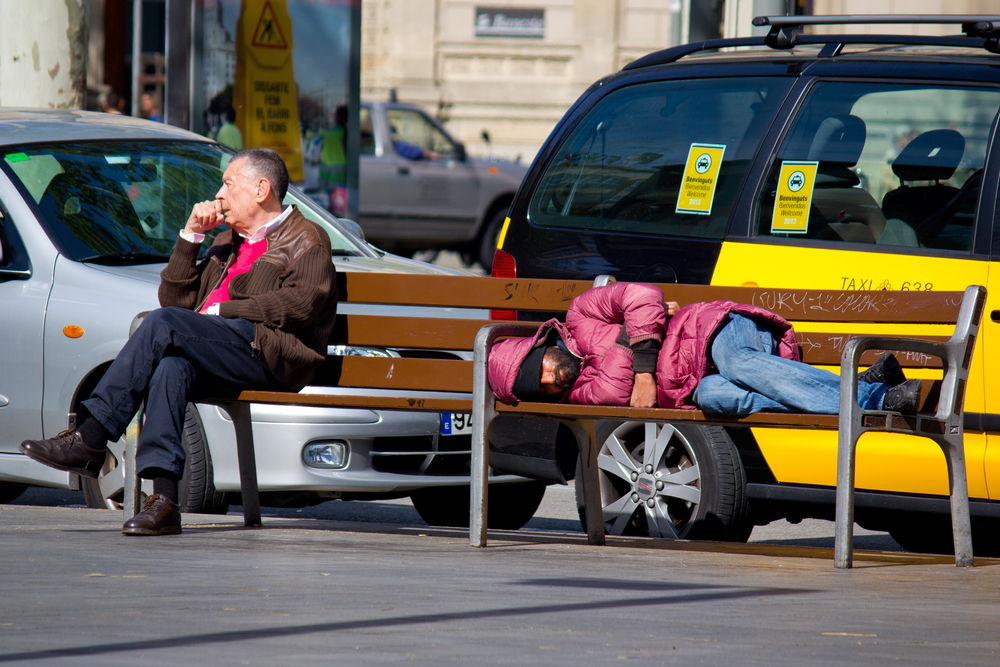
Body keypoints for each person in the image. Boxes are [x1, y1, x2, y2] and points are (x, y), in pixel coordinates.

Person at [20, 148, 338, 536]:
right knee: (172, 366)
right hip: (222, 348)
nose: (219, 194)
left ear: (261, 189)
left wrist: (227, 311)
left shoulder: (307, 239)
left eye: (228, 183)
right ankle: (165, 501)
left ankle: (91, 436)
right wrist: (191, 236)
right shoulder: (227, 241)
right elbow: (174, 302)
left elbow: (300, 305)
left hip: (268, 354)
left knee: (164, 327)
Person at [488, 282, 920, 415]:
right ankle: (864, 383)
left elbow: (641, 296)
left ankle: (877, 399)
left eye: (540, 369)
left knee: (735, 363)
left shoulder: (582, 315)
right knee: (719, 395)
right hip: (698, 385)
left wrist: (643, 366)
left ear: (540, 346)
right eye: (541, 388)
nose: (550, 379)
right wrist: (643, 332)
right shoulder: (581, 393)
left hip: (715, 331)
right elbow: (618, 397)